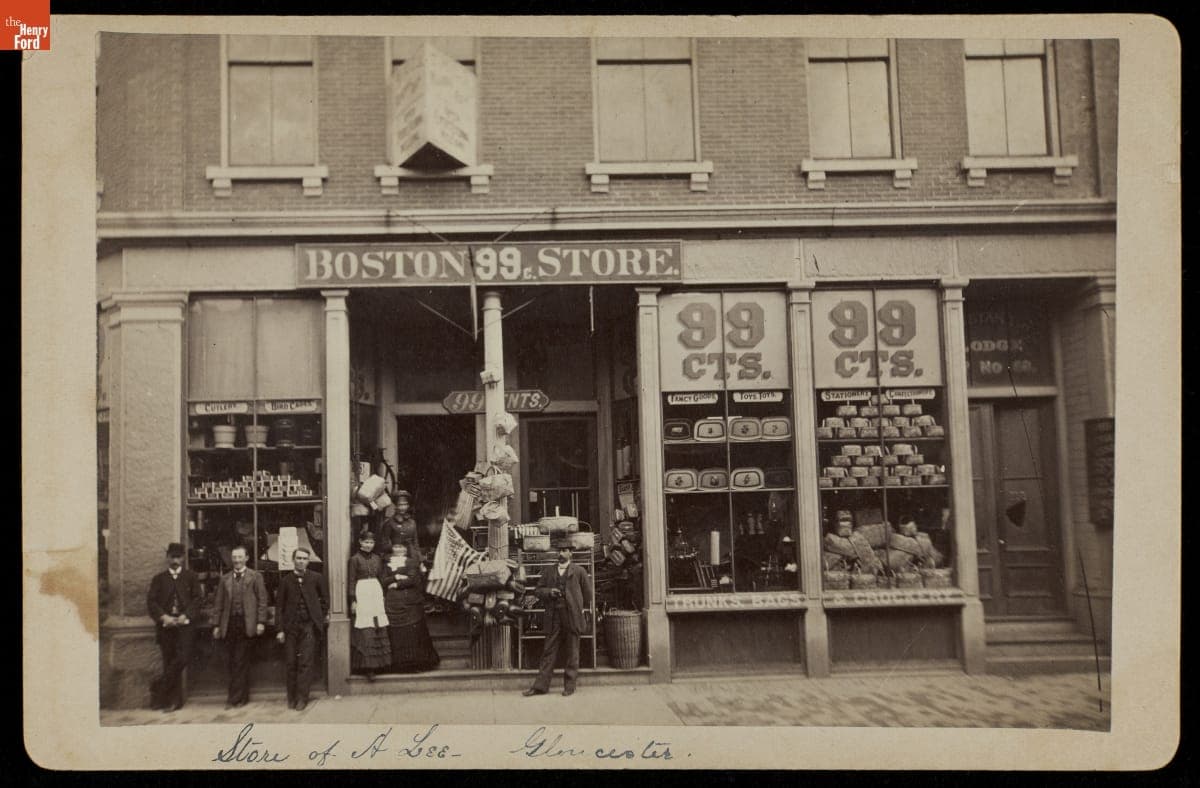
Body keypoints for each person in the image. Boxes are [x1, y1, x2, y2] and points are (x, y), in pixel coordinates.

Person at [523, 545, 592, 697]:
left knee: (573, 650)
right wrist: (549, 592)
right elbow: (538, 590)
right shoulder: (549, 571)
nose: (560, 553)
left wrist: (578, 607)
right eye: (559, 551)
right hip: (553, 616)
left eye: (564, 550)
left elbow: (588, 595)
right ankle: (540, 686)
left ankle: (570, 686)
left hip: (572, 616)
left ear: (571, 553)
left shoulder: (579, 571)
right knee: (548, 650)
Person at [146, 542, 202, 712]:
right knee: (169, 661)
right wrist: (164, 617)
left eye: (178, 557)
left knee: (183, 658)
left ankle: (159, 688)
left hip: (185, 626)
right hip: (166, 626)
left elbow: (198, 599)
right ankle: (174, 701)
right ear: (167, 558)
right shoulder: (159, 579)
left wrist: (187, 615)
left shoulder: (191, 576)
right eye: (172, 557)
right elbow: (151, 601)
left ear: (183, 558)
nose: (175, 560)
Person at [211, 544, 268, 709]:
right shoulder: (225, 578)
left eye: (240, 557)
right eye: (234, 557)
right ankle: (242, 697)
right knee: (231, 661)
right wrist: (216, 625)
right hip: (229, 624)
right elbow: (219, 603)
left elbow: (263, 601)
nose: (236, 560)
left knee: (240, 661)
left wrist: (260, 622)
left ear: (246, 558)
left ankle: (234, 699)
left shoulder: (255, 576)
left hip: (247, 623)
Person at [275, 547, 329, 711]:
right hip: (290, 627)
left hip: (309, 626)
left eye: (304, 559)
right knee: (291, 662)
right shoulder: (285, 581)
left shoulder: (316, 578)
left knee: (305, 662)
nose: (301, 561)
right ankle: (291, 697)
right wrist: (280, 630)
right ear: (293, 560)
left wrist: (320, 616)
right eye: (298, 558)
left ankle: (302, 698)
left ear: (308, 561)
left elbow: (325, 600)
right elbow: (279, 608)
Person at [380, 542, 440, 673]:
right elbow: (383, 581)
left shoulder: (411, 562)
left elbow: (413, 579)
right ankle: (399, 665)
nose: (399, 549)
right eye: (396, 546)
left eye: (402, 547)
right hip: (393, 603)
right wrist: (396, 576)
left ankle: (415, 664)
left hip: (410, 601)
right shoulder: (386, 563)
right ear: (392, 548)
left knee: (412, 632)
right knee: (397, 633)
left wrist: (396, 584)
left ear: (406, 549)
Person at [347, 530, 391, 680]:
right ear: (360, 542)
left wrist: (384, 594)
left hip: (376, 592)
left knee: (378, 625)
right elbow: (351, 580)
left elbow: (382, 578)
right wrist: (353, 600)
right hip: (362, 592)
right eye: (366, 542)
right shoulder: (354, 559)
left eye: (371, 542)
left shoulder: (377, 558)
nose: (369, 545)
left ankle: (380, 664)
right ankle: (368, 667)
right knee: (366, 628)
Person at [380, 491, 422, 562]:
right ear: (395, 506)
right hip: (396, 556)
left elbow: (415, 543)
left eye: (405, 504)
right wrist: (397, 548)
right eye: (400, 505)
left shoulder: (412, 522)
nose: (403, 507)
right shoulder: (390, 523)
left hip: (411, 556)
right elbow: (384, 544)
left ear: (408, 506)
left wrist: (420, 558)